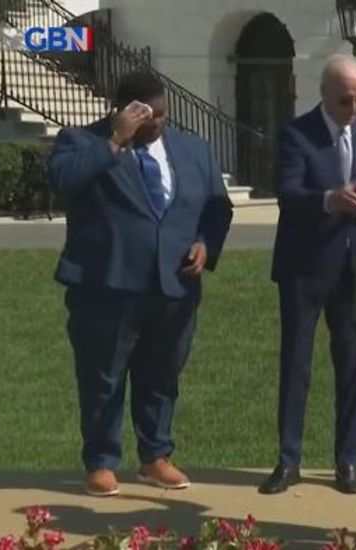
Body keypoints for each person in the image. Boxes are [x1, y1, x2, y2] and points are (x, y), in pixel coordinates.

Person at [46, 70, 233, 497]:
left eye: (164, 115)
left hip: (175, 288)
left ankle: (155, 457)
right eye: (151, 116)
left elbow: (216, 208)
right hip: (107, 285)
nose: (161, 123)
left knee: (162, 374)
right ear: (126, 111)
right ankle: (101, 461)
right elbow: (62, 181)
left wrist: (205, 243)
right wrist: (114, 141)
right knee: (103, 377)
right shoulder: (83, 142)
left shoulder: (193, 151)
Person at [259, 55, 356, 495]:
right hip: (305, 266)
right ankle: (288, 459)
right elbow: (288, 192)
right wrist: (330, 198)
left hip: (354, 266)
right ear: (324, 93)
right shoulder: (298, 134)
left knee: (352, 365)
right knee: (296, 363)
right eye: (344, 100)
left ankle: (348, 461)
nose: (353, 108)